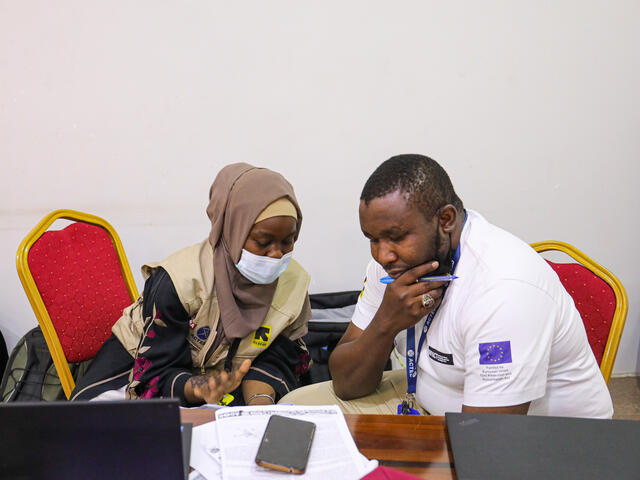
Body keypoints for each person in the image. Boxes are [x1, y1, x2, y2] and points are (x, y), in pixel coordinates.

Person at [280, 154, 613, 418]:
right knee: (294, 412)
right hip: (428, 403)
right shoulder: (395, 264)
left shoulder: (505, 289)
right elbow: (347, 384)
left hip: (544, 443)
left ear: (446, 219)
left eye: (395, 237)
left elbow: (487, 444)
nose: (382, 254)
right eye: (373, 239)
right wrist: (386, 323)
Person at [72, 163, 311, 406]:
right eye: (262, 242)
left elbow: (279, 356)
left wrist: (260, 401)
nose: (276, 255)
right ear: (231, 230)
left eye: (288, 241)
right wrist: (201, 389)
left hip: (229, 382)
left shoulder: (294, 283)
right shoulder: (178, 281)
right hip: (144, 371)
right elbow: (158, 371)